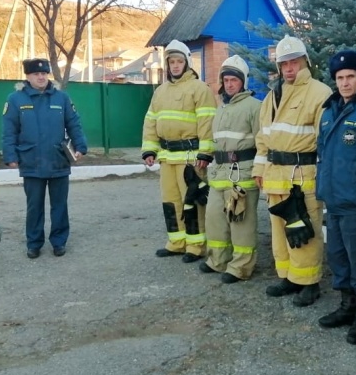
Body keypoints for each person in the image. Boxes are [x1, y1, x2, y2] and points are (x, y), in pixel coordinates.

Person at [253, 35, 332, 307]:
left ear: (304, 61)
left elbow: (326, 141)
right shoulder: (272, 96)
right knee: (280, 231)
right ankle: (288, 276)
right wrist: (259, 169)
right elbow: (262, 137)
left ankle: (309, 282)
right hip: (275, 175)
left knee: (305, 229)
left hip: (302, 175)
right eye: (283, 63)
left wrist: (326, 178)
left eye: (294, 62)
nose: (289, 68)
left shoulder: (319, 93)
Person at [316, 50, 356, 344]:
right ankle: (346, 306)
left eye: (350, 76)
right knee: (338, 256)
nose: (344, 82)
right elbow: (323, 154)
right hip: (334, 197)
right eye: (340, 78)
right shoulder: (329, 110)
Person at [2, 58, 87, 259]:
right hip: (31, 161)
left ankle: (59, 242)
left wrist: (80, 147)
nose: (40, 77)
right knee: (34, 206)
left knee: (59, 205)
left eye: (43, 73)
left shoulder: (61, 98)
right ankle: (34, 243)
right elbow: (9, 130)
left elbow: (74, 123)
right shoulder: (16, 99)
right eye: (35, 74)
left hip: (58, 159)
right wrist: (10, 156)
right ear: (27, 76)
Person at [141, 40, 217, 262]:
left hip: (191, 158)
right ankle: (176, 242)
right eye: (171, 62)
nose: (175, 66)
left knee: (191, 201)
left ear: (187, 63)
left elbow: (207, 122)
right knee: (170, 201)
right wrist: (149, 150)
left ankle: (196, 246)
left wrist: (205, 153)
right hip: (167, 157)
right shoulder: (160, 91)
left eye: (179, 61)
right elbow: (151, 122)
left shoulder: (199, 89)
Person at [199, 55, 262, 283]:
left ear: (243, 81)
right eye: (226, 80)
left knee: (241, 224)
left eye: (234, 80)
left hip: (241, 175)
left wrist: (259, 170)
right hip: (219, 173)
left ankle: (240, 267)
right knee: (215, 220)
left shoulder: (255, 107)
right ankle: (217, 260)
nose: (229, 84)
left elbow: (262, 141)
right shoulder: (221, 108)